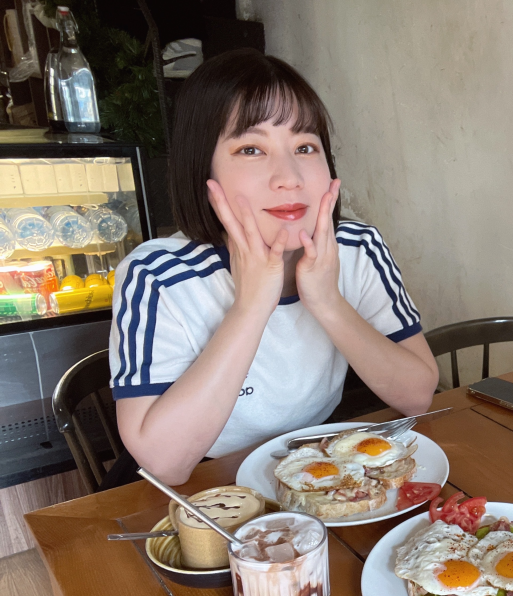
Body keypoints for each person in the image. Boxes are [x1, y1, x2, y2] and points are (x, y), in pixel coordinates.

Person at [108, 50, 438, 486]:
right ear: (201, 169)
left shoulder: (357, 248)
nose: (289, 176)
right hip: (208, 481)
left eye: (305, 147)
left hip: (316, 463)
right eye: (251, 149)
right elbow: (166, 464)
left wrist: (327, 301)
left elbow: (418, 395)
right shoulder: (157, 275)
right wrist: (250, 308)